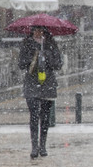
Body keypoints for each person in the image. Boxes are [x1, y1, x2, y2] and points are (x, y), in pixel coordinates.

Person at [17, 26, 62, 159]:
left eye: (41, 30)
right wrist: (33, 57)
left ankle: (43, 145)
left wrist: (47, 55)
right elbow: (21, 64)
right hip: (32, 83)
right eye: (36, 30)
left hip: (47, 83)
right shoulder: (27, 44)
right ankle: (34, 146)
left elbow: (58, 64)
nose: (38, 33)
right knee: (34, 116)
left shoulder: (51, 44)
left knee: (45, 117)